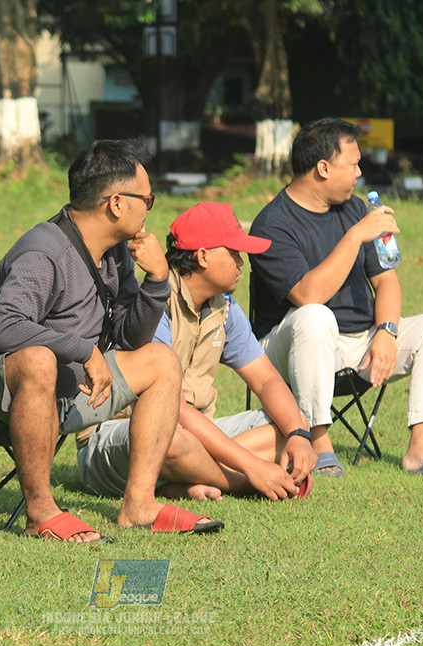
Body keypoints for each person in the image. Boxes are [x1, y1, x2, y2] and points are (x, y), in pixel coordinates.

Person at [0, 139, 224, 543]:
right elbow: (4, 327)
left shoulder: (115, 254)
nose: (150, 208)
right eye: (148, 199)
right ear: (117, 204)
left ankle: (139, 504)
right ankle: (41, 512)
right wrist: (83, 349)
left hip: (60, 391)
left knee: (160, 360)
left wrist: (157, 281)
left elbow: (129, 337)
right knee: (37, 359)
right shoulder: (45, 250)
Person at [249, 118, 423, 477]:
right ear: (323, 168)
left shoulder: (355, 209)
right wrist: (355, 236)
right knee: (315, 316)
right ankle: (319, 446)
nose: (359, 173)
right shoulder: (272, 224)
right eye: (353, 164)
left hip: (360, 344)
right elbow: (308, 295)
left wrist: (387, 331)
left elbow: (387, 282)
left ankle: (422, 449)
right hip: (286, 349)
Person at [78, 202, 317, 501]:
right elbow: (175, 410)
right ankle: (235, 482)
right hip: (118, 439)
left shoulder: (225, 308)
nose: (242, 262)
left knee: (289, 423)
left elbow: (266, 380)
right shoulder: (155, 303)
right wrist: (252, 467)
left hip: (197, 438)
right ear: (202, 256)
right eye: (234, 253)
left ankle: (180, 483)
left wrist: (298, 435)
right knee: (170, 438)